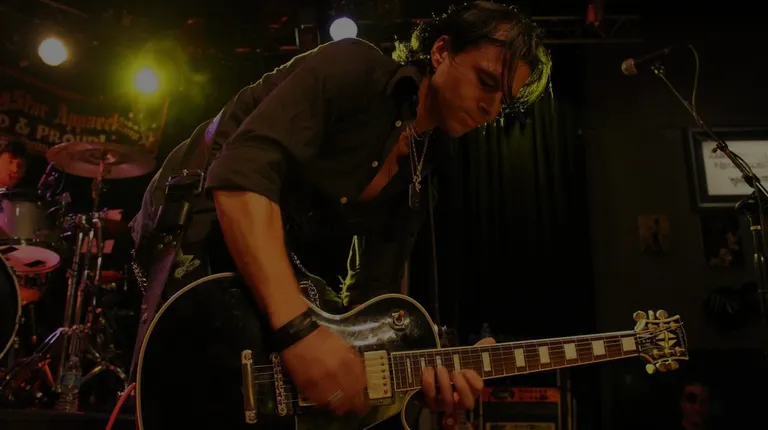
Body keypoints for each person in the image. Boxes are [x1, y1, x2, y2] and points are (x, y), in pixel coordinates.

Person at [129, 0, 551, 426]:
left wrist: (417, 381)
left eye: (504, 101)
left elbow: (371, 305)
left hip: (267, 241)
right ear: (442, 51)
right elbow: (240, 178)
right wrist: (297, 331)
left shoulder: (426, 165)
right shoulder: (356, 69)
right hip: (193, 209)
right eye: (486, 82)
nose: (491, 107)